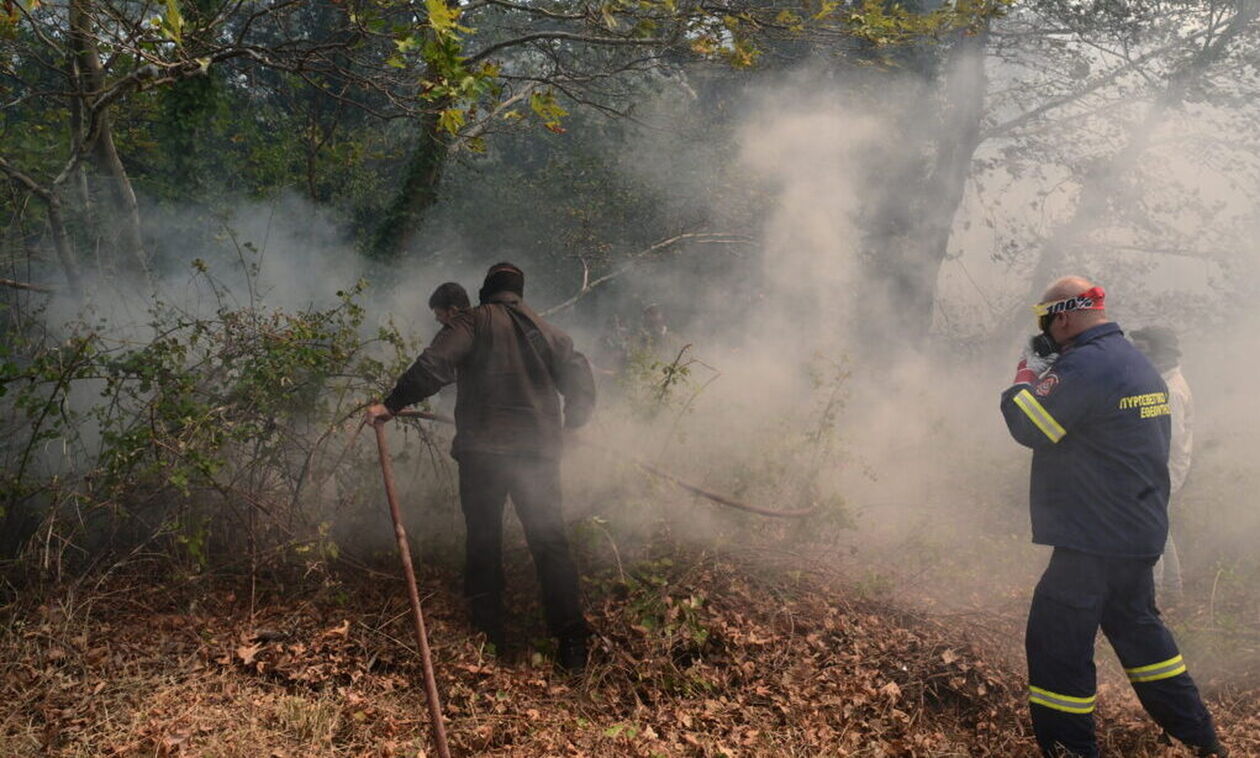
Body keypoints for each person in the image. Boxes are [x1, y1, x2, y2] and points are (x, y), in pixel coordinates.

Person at [999, 276, 1225, 757]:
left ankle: (1071, 749)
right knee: (1142, 637)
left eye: (1045, 321)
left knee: (1057, 645)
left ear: (1062, 317)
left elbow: (1029, 424)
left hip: (1093, 541)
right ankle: (1200, 738)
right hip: (1135, 534)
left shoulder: (1088, 365)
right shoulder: (1134, 362)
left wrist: (1025, 375)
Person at [365, 263, 597, 672]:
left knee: (484, 540)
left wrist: (391, 403)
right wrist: (573, 425)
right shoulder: (549, 332)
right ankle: (572, 643)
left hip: (484, 454)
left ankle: (489, 635)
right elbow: (581, 382)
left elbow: (434, 365)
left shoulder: (473, 321)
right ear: (519, 293)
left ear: (487, 289)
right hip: (538, 454)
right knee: (550, 543)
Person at [1129, 326, 1192, 602]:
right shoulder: (1164, 382)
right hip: (1159, 470)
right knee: (1161, 529)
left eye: (1143, 350)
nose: (1137, 355)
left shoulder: (1169, 390)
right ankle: (1173, 591)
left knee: (1149, 531)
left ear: (1160, 353)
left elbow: (1170, 439)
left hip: (1159, 471)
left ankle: (1150, 596)